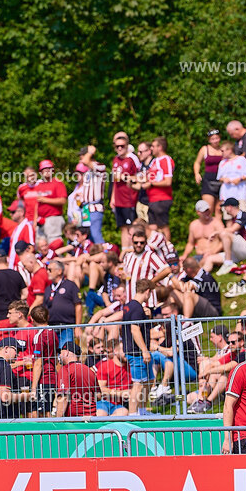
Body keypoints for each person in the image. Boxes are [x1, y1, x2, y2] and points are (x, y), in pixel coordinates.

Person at [122, 279, 156, 415]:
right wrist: (145, 350)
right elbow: (135, 330)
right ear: (147, 292)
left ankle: (142, 411)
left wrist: (147, 317)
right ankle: (132, 415)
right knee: (138, 384)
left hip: (136, 350)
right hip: (137, 352)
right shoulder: (136, 308)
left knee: (149, 380)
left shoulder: (129, 306)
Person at [206, 198, 246, 276]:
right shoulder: (234, 219)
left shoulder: (243, 215)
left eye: (225, 207)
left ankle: (228, 263)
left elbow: (232, 230)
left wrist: (216, 232)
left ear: (230, 207)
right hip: (238, 252)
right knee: (210, 258)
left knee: (224, 233)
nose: (224, 210)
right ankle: (200, 277)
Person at [110, 134, 142, 249]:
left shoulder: (132, 159)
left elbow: (140, 177)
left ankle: (133, 250)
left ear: (127, 146)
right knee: (123, 228)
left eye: (122, 146)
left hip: (129, 199)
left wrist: (124, 177)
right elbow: (115, 182)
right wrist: (113, 198)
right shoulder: (115, 159)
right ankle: (125, 252)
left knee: (131, 228)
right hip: (119, 199)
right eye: (117, 146)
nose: (119, 148)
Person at [54, 341, 99, 417]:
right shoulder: (89, 370)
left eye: (60, 353)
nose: (59, 355)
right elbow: (98, 395)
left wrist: (58, 420)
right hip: (91, 418)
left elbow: (63, 397)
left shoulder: (65, 370)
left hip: (74, 419)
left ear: (66, 353)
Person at [144, 137, 175, 239]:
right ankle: (156, 247)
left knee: (163, 226)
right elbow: (148, 178)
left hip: (161, 198)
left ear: (160, 147)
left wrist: (151, 184)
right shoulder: (155, 161)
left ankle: (168, 247)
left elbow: (168, 181)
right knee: (152, 227)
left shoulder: (165, 160)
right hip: (152, 199)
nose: (151, 149)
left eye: (153, 146)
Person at [0, 251, 26, 325]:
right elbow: (25, 293)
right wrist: (17, 302)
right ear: (6, 259)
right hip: (17, 317)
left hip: (1, 318)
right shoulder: (16, 274)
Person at [94, 339, 131, 417]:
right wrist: (120, 393)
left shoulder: (131, 367)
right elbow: (100, 389)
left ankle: (108, 423)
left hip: (120, 405)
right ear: (115, 351)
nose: (127, 353)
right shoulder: (105, 366)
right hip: (103, 402)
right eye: (124, 350)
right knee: (100, 414)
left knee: (124, 412)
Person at [215, 141, 246, 216]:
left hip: (240, 192)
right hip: (227, 193)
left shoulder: (241, 159)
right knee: (228, 215)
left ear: (229, 150)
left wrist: (239, 179)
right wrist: (224, 179)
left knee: (243, 212)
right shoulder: (222, 163)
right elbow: (219, 177)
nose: (221, 153)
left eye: (223, 151)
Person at [35, 159, 68, 240]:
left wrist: (45, 200)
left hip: (53, 218)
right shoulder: (39, 185)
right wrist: (35, 219)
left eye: (49, 168)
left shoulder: (57, 183)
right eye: (44, 169)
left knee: (54, 243)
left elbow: (63, 200)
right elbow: (37, 204)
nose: (47, 171)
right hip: (41, 220)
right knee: (40, 244)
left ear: (53, 171)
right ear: (41, 172)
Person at [194, 129, 224, 214]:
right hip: (208, 181)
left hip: (222, 180)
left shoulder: (223, 149)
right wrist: (197, 173)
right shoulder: (204, 149)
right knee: (208, 209)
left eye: (216, 138)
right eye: (212, 139)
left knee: (219, 210)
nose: (215, 141)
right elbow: (197, 162)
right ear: (209, 140)